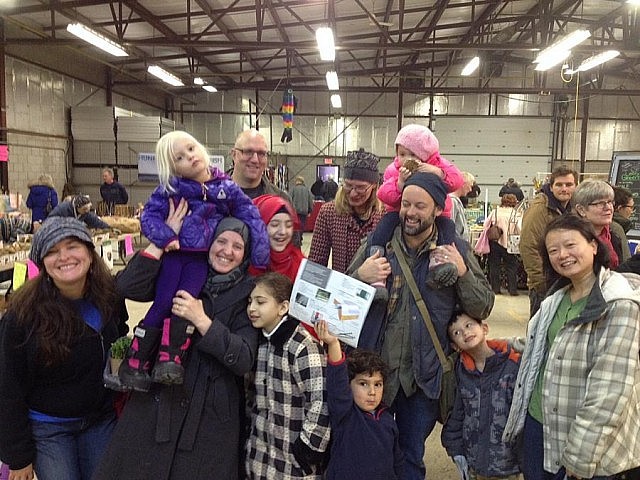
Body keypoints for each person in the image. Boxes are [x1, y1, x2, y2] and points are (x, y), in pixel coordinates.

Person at [94, 209, 266, 480]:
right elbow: (126, 286)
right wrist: (161, 241)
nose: (227, 251)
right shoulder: (179, 271)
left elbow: (243, 358)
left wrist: (203, 321)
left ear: (246, 254)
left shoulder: (249, 293)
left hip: (209, 421)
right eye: (221, 241)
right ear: (209, 241)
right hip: (157, 403)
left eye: (237, 246)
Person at [347, 172, 494, 480]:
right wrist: (360, 274)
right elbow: (342, 299)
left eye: (420, 206)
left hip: (423, 379)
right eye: (406, 204)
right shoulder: (378, 247)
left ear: (438, 209)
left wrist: (463, 272)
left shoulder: (456, 251)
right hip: (377, 374)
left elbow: (482, 306)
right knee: (370, 448)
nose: (410, 213)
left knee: (411, 452)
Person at [119, 131, 268, 391]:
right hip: (174, 254)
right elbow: (149, 218)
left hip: (201, 258)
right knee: (165, 301)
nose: (189, 157)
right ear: (173, 167)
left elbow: (251, 216)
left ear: (200, 147)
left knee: (185, 303)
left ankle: (170, 359)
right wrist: (165, 236)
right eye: (180, 157)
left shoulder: (225, 188)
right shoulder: (170, 189)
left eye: (190, 149)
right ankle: (136, 358)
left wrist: (259, 253)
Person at [503, 214, 640, 479]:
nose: (562, 255)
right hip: (538, 425)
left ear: (593, 245)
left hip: (582, 440)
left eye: (570, 245)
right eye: (553, 250)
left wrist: (580, 456)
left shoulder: (619, 304)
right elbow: (546, 343)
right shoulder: (558, 296)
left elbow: (610, 390)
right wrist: (499, 345)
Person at [0, 218, 128, 480]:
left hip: (99, 421)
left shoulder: (109, 297)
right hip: (49, 428)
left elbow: (121, 333)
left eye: (72, 246)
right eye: (52, 251)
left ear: (90, 253)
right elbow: (8, 386)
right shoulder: (23, 315)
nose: (64, 257)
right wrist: (18, 456)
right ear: (42, 263)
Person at [245, 272, 331, 479]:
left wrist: (308, 449)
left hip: (294, 464)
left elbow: (321, 400)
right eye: (250, 302)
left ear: (283, 307)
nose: (252, 308)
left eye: (260, 302)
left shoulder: (303, 347)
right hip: (261, 458)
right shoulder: (259, 342)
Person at [314, 319, 404, 480]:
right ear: (349, 385)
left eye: (378, 384)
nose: (372, 392)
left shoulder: (388, 421)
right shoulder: (346, 415)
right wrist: (333, 343)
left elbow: (397, 463)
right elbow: (337, 383)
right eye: (363, 384)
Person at [441, 312, 521, 480]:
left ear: (484, 328)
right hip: (475, 464)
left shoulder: (513, 365)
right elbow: (456, 413)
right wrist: (455, 450)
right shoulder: (461, 373)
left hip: (508, 467)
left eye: (469, 325)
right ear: (455, 346)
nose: (465, 332)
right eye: (457, 332)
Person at [308, 149, 385, 273]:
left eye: (361, 188)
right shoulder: (329, 213)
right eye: (348, 185)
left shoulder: (384, 214)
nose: (353, 193)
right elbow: (315, 265)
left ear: (374, 185)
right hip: (341, 290)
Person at [520, 166, 577, 317]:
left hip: (564, 282)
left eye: (569, 184)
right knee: (539, 333)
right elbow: (528, 246)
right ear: (551, 187)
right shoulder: (540, 209)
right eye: (559, 185)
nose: (564, 189)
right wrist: (541, 283)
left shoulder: (571, 210)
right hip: (545, 285)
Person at [378, 124, 464, 218]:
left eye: (413, 155)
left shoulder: (437, 163)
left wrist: (438, 172)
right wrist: (400, 184)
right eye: (402, 154)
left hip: (437, 214)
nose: (408, 159)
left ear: (426, 154)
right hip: (398, 213)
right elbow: (383, 195)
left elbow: (457, 180)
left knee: (448, 228)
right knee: (383, 228)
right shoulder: (393, 170)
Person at [573, 179, 630, 270]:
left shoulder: (614, 235)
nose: (608, 207)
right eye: (600, 203)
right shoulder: (573, 240)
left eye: (610, 202)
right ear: (581, 210)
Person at [230, 129, 290, 201]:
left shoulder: (281, 201)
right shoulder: (213, 196)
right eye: (248, 152)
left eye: (261, 153)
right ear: (234, 155)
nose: (255, 160)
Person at [487, 193, 520, 295]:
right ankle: (512, 290)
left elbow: (486, 225)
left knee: (494, 266)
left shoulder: (495, 212)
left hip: (495, 242)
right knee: (511, 267)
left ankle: (495, 289)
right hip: (510, 243)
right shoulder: (515, 214)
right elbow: (520, 228)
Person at [449, 172, 475, 243]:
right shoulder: (453, 201)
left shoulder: (456, 201)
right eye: (470, 186)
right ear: (463, 184)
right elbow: (450, 225)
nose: (470, 190)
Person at [289, 175, 314, 244]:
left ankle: (297, 239)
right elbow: (310, 201)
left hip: (295, 211)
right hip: (304, 211)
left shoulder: (293, 189)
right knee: (302, 225)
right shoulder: (307, 190)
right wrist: (310, 210)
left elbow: (289, 199)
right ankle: (300, 237)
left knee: (295, 225)